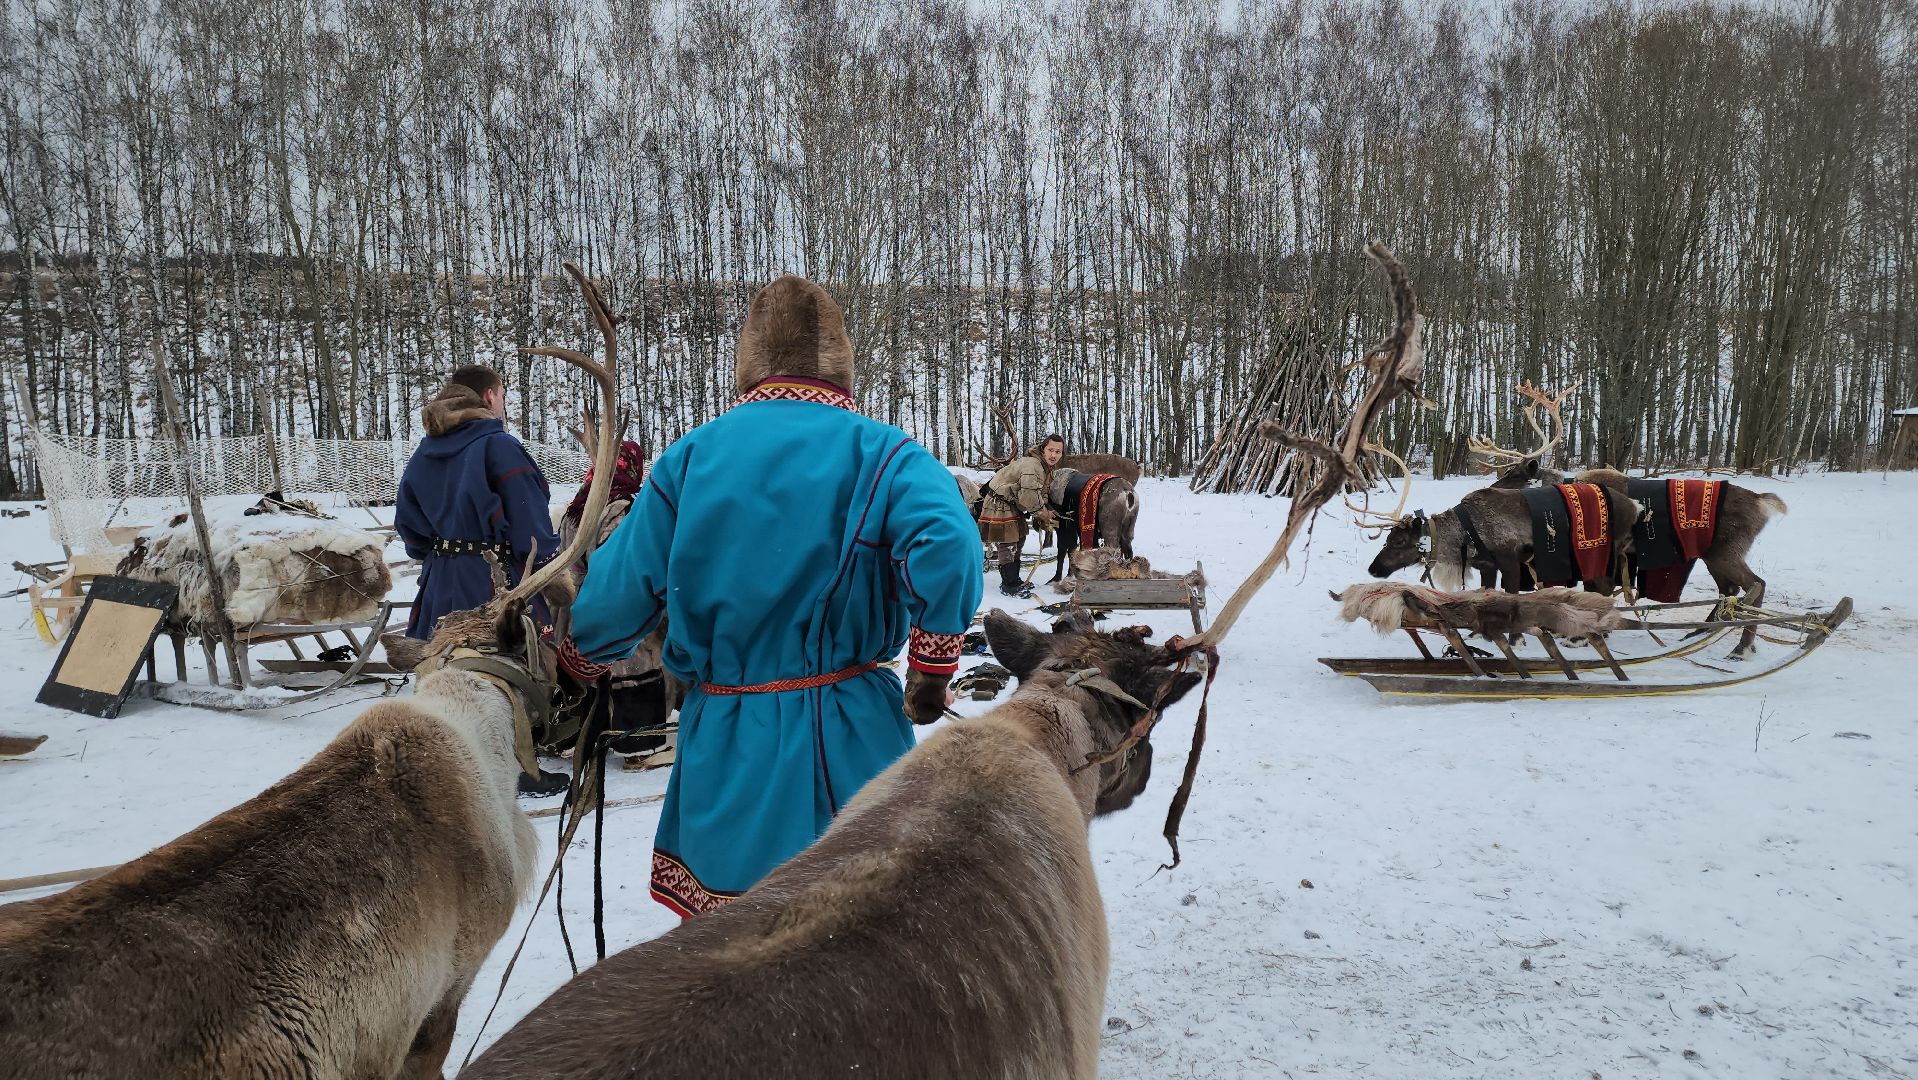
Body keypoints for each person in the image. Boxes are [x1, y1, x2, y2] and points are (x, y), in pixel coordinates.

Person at [562, 275, 983, 918]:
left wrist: (582, 655)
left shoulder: (691, 460)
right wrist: (931, 668)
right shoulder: (888, 454)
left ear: (749, 361)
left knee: (739, 951)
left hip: (734, 747)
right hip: (857, 742)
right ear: (841, 363)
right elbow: (948, 541)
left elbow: (617, 595)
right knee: (877, 938)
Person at [395, 364, 570, 797]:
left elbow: (408, 525)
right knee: (505, 668)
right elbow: (530, 523)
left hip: (442, 575)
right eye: (504, 395)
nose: (505, 404)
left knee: (446, 668)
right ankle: (518, 767)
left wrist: (437, 558)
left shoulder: (425, 451)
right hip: (493, 577)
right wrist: (549, 570)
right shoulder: (498, 446)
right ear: (490, 397)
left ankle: (449, 760)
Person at [555, 439, 675, 759]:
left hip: (575, 608)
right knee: (631, 665)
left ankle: (587, 736)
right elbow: (622, 564)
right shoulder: (618, 508)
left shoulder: (577, 505)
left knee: (590, 674)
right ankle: (638, 746)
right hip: (613, 604)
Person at [978, 434, 1064, 598]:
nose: (1054, 455)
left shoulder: (1045, 467)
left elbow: (1041, 493)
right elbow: (1029, 496)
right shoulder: (1033, 466)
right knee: (1008, 541)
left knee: (1019, 539)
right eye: (1051, 450)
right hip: (1000, 502)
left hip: (1012, 503)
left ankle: (1015, 579)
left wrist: (1045, 508)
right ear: (1042, 449)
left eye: (1058, 452)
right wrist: (1042, 514)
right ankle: (1008, 584)